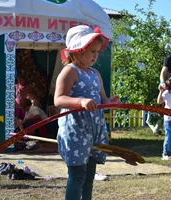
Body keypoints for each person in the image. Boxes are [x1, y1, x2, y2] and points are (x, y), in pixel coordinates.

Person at [54, 25, 120, 200]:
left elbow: (102, 100)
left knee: (89, 177)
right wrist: (80, 101)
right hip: (76, 132)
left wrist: (110, 103)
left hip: (94, 132)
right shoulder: (69, 71)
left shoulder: (95, 73)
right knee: (77, 177)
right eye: (91, 51)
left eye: (97, 52)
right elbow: (58, 99)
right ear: (77, 50)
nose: (95, 55)